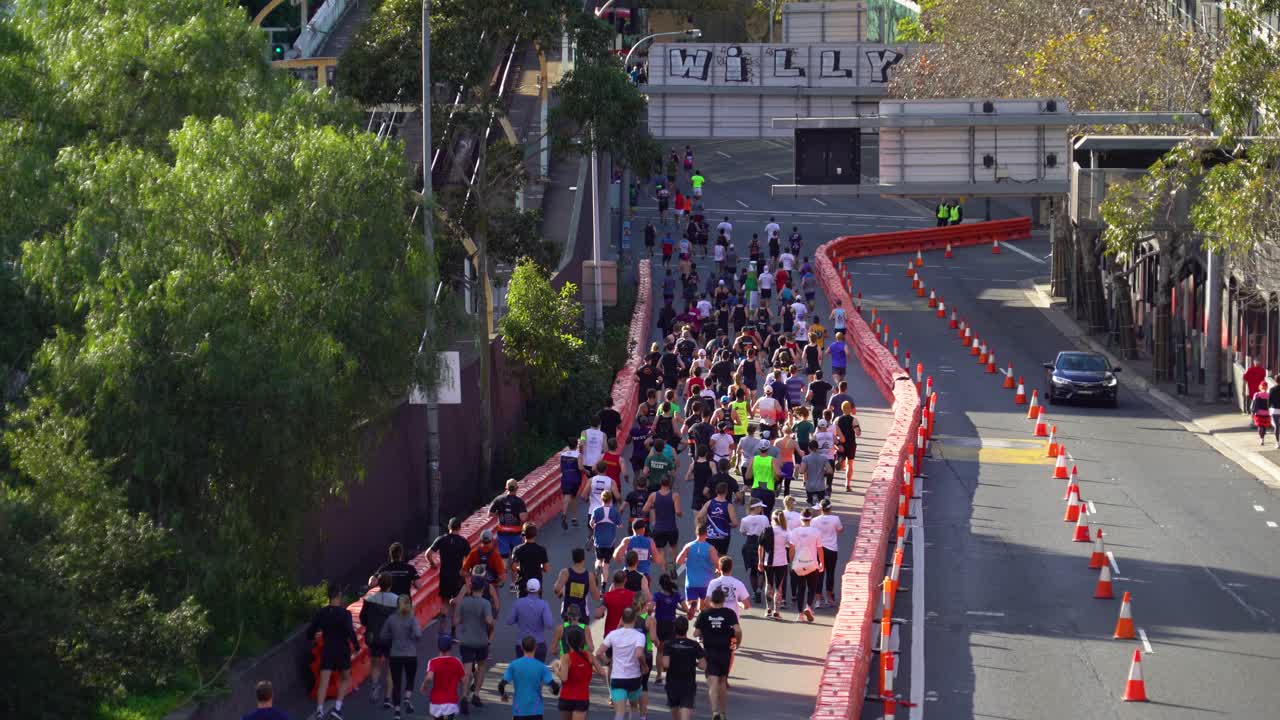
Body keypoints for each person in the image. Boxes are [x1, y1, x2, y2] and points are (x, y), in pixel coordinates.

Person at [308, 583, 358, 720]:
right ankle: (338, 708)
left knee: (324, 680)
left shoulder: (321, 613)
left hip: (328, 649)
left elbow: (311, 631)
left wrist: (313, 637)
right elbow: (350, 632)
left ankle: (319, 710)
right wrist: (357, 646)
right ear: (339, 596)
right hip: (342, 650)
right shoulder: (345, 614)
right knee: (346, 678)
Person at [694, 588, 742, 720]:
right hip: (725, 652)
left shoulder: (704, 614)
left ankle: (715, 712)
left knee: (713, 682)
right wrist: (736, 643)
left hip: (710, 652)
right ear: (723, 600)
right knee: (722, 681)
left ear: (711, 600)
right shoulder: (729, 613)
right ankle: (722, 713)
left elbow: (696, 633)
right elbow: (737, 630)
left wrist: (704, 633)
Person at [454, 575, 494, 712]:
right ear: (483, 588)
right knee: (481, 666)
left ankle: (464, 695)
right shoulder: (485, 603)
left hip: (466, 640)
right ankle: (476, 694)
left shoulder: (464, 602)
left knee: (466, 669)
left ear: (471, 587)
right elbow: (489, 621)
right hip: (481, 640)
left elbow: (456, 621)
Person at [379, 594, 424, 718]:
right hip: (410, 654)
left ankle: (397, 711)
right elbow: (418, 634)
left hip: (395, 655)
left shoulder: (391, 619)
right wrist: (413, 637)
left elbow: (383, 635)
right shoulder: (412, 618)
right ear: (409, 604)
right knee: (410, 678)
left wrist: (393, 637)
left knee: (396, 682)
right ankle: (407, 698)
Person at [359, 574, 398, 708]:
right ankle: (388, 698)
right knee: (390, 668)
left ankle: (374, 686)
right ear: (391, 584)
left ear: (378, 584)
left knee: (375, 664)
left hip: (374, 637)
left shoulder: (369, 599)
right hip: (391, 639)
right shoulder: (397, 600)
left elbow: (363, 619)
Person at [499, 636, 560, 720]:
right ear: (536, 647)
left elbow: (501, 685)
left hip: (519, 711)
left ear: (521, 647)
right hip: (536, 711)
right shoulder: (541, 666)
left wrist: (504, 695)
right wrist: (553, 692)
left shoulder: (514, 665)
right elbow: (555, 687)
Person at [427, 517, 472, 632]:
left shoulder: (441, 539)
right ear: (460, 528)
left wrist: (432, 564)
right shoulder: (463, 542)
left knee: (445, 603)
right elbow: (470, 560)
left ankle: (442, 631)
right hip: (458, 576)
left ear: (449, 527)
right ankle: (453, 633)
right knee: (456, 604)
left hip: (444, 575)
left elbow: (428, 554)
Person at [555, 625, 607, 720]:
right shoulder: (589, 656)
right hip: (582, 697)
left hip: (566, 697)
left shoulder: (566, 657)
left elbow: (564, 678)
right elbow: (602, 672)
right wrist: (589, 668)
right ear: (582, 641)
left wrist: (555, 669)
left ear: (568, 642)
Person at [661, 616, 706, 720]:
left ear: (674, 628)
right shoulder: (694, 645)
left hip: (672, 683)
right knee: (686, 709)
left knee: (675, 711)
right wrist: (694, 664)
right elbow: (703, 665)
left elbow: (666, 664)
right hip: (688, 683)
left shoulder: (668, 644)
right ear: (687, 629)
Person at [789, 509, 825, 622]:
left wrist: (791, 561)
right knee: (812, 588)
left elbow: (791, 548)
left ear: (801, 519)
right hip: (812, 564)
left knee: (801, 588)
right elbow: (820, 549)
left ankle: (800, 614)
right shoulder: (816, 532)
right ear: (810, 519)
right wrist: (821, 562)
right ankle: (809, 607)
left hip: (799, 564)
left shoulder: (794, 532)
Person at [675, 522, 720, 612]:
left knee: (690, 604)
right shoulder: (711, 548)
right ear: (706, 534)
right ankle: (700, 611)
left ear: (696, 533)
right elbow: (718, 563)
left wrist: (688, 560)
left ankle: (691, 607)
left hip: (691, 582)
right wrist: (718, 570)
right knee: (703, 608)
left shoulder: (688, 546)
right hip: (705, 583)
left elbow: (678, 560)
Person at [651, 573, 685, 684]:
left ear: (660, 584)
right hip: (671, 625)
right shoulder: (676, 595)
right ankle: (671, 674)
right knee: (670, 650)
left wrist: (649, 610)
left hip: (659, 625)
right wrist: (679, 607)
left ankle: (659, 676)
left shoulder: (657, 595)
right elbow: (685, 608)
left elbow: (651, 607)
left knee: (660, 650)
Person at [420, 634, 466, 720]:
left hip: (436, 700)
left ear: (438, 648)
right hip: (451, 700)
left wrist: (424, 685)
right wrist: (463, 694)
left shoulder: (433, 662)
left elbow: (429, 677)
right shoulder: (456, 662)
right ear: (450, 647)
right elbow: (463, 680)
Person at [643, 475, 683, 571]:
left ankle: (664, 571)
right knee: (673, 547)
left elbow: (645, 509)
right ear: (670, 483)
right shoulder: (675, 495)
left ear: (660, 483)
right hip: (671, 527)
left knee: (661, 550)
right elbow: (678, 512)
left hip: (659, 528)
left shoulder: (653, 495)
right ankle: (673, 567)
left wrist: (653, 507)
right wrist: (681, 514)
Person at [554, 547, 602, 624]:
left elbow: (556, 589)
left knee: (567, 631)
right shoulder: (589, 576)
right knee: (584, 632)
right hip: (582, 616)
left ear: (573, 559)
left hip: (568, 614)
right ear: (583, 559)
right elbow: (596, 597)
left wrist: (562, 592)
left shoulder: (565, 573)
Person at [758, 511, 791, 619]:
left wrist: (760, 561)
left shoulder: (766, 530)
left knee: (769, 584)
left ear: (772, 519)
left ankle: (768, 609)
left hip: (768, 561)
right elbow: (790, 545)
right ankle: (776, 611)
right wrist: (790, 558)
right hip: (782, 561)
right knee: (779, 587)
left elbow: (760, 547)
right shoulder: (786, 531)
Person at [812, 498, 845, 607]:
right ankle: (829, 599)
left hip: (819, 549)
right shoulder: (835, 519)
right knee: (830, 573)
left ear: (820, 508)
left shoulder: (814, 520)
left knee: (819, 574)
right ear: (830, 508)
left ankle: (817, 600)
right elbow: (840, 530)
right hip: (831, 549)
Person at [738, 500, 770, 604]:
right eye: (760, 507)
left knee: (753, 570)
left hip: (749, 544)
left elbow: (742, 532)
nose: (761, 509)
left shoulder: (745, 519)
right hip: (762, 544)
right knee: (761, 569)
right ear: (756, 508)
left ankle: (755, 591)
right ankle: (759, 590)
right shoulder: (764, 518)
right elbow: (768, 530)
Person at [590, 489, 623, 587]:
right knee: (606, 565)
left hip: (599, 541)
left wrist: (595, 525)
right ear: (611, 499)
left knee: (598, 560)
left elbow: (591, 524)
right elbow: (620, 525)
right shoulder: (614, 512)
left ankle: (597, 568)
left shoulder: (596, 511)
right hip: (610, 542)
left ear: (602, 499)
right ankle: (603, 586)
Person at [490, 480, 530, 560]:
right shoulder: (519, 502)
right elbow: (523, 518)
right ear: (517, 488)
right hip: (516, 534)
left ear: (506, 488)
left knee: (504, 557)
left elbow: (490, 513)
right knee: (517, 557)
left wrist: (498, 514)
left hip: (502, 534)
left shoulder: (498, 499)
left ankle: (505, 571)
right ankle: (515, 571)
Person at [614, 519, 661, 584]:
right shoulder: (650, 541)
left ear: (633, 529)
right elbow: (657, 560)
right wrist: (648, 558)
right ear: (643, 529)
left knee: (626, 594)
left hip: (628, 575)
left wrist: (626, 558)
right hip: (644, 576)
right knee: (644, 593)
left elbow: (617, 556)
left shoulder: (627, 540)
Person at [698, 481, 738, 557]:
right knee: (721, 559)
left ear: (716, 491)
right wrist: (727, 524)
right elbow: (735, 523)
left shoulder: (709, 503)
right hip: (723, 536)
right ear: (726, 492)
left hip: (710, 535)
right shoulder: (729, 506)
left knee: (709, 558)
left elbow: (699, 517)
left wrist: (705, 524)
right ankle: (719, 569)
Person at [705, 556, 751, 621]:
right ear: (731, 568)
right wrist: (739, 604)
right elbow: (747, 605)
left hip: (717, 619)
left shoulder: (713, 583)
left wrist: (715, 608)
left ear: (719, 568)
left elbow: (707, 603)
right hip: (732, 620)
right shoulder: (738, 583)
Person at [511, 523, 550, 596]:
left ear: (523, 534)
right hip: (537, 583)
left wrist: (520, 568)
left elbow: (513, 567)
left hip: (523, 583)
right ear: (535, 535)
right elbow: (546, 569)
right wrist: (539, 567)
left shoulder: (517, 549)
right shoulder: (541, 550)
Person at [747, 442, 782, 515]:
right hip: (768, 489)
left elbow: (748, 476)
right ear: (768, 448)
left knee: (754, 513)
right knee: (767, 513)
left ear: (759, 448)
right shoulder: (772, 460)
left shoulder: (753, 459)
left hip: (756, 489)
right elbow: (778, 473)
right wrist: (776, 477)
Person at [559, 438, 586, 530]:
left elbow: (561, 467)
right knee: (573, 496)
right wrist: (586, 471)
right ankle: (574, 518)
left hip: (565, 476)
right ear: (576, 445)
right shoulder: (578, 455)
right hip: (575, 477)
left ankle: (564, 514)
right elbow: (580, 467)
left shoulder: (563, 454)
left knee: (567, 495)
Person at [835, 401, 862, 491]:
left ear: (842, 409)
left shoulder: (837, 419)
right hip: (851, 444)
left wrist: (837, 443)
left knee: (843, 461)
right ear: (850, 409)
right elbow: (857, 433)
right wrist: (858, 430)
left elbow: (833, 432)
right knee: (850, 464)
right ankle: (847, 484)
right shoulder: (854, 420)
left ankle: (841, 461)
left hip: (841, 444)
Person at [602, 570, 637, 636]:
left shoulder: (608, 596)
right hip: (627, 634)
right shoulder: (633, 595)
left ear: (613, 580)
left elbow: (599, 613)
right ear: (625, 580)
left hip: (610, 633)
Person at [801, 440, 833, 505]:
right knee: (820, 505)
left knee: (811, 505)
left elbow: (801, 471)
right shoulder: (823, 458)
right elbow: (830, 471)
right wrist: (823, 471)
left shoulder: (805, 458)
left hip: (810, 486)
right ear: (818, 448)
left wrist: (806, 469)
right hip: (820, 486)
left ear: (809, 448)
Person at [1252, 381, 1272, 445]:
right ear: (1267, 387)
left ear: (1260, 387)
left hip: (1258, 413)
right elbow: (1270, 405)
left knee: (1260, 426)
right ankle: (1262, 437)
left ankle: (1261, 438)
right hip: (1266, 413)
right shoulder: (1269, 395)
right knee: (1264, 426)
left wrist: (1252, 412)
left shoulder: (1256, 394)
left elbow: (1254, 404)